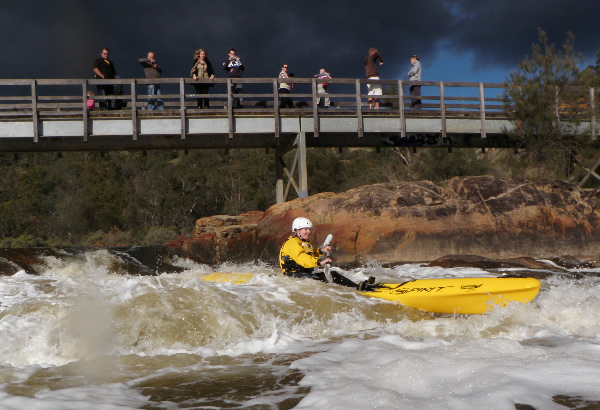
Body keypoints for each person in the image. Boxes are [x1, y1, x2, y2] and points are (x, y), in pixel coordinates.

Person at [279, 217, 380, 291]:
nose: (308, 232)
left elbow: (308, 254)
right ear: (297, 230)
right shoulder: (292, 243)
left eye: (309, 229)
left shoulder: (302, 242)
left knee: (331, 276)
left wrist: (320, 251)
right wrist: (320, 262)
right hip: (294, 277)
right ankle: (358, 288)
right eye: (305, 229)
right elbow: (302, 258)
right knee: (333, 275)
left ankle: (354, 287)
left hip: (302, 275)